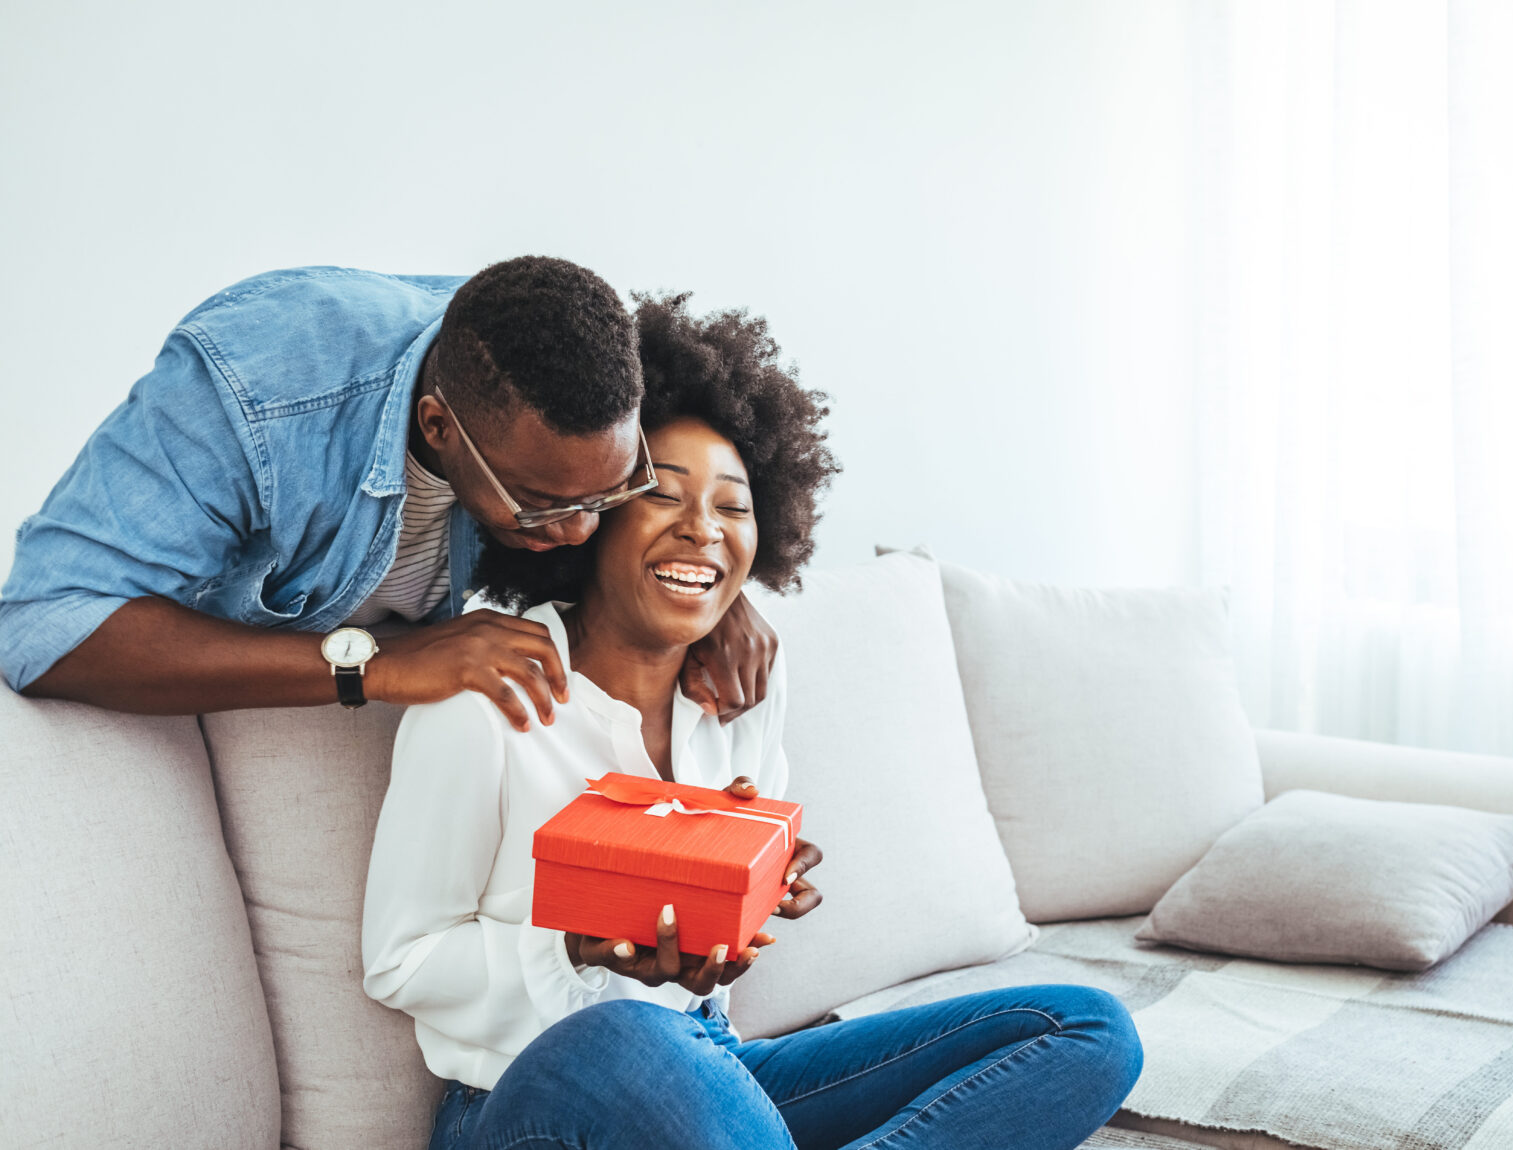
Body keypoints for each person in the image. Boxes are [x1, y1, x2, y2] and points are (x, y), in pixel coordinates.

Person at [362, 293, 1143, 1150]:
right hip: (522, 1099)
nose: (703, 531)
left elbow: (705, 976)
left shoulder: (741, 692)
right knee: (629, 1034)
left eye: (733, 508)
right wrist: (576, 950)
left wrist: (757, 887)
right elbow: (401, 960)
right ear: (590, 516)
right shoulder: (488, 696)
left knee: (1086, 1028)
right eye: (664, 496)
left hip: (711, 1070)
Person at [0, 258, 776, 727]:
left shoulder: (581, 367)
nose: (578, 535)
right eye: (539, 505)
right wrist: (366, 667)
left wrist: (708, 593)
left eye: (607, 498)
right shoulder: (259, 387)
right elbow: (43, 623)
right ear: (438, 427)